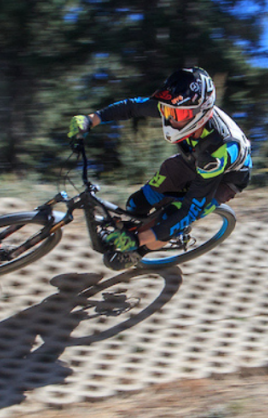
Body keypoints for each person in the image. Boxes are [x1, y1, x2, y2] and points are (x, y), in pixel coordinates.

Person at [67, 67, 252, 269]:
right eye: (167, 111)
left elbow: (190, 209)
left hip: (226, 177)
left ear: (201, 113)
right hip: (193, 158)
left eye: (178, 114)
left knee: (171, 217)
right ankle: (137, 232)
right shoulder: (178, 105)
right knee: (137, 203)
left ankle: (138, 253)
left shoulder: (218, 150)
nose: (171, 119)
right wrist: (91, 119)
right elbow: (132, 107)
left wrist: (139, 240)